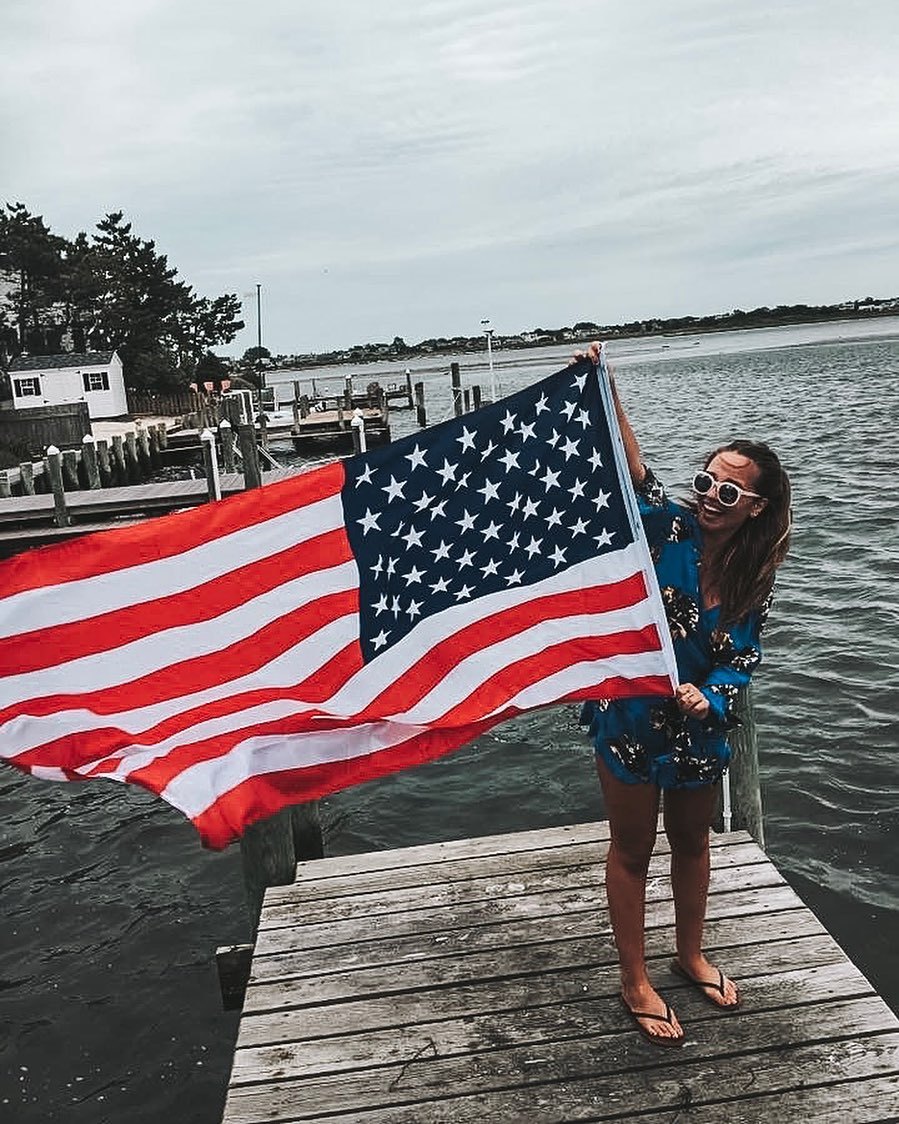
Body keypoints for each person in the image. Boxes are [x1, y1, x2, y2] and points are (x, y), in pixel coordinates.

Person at [579, 344, 792, 1046]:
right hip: (630, 717)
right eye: (706, 481)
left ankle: (690, 954)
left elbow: (744, 657)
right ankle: (633, 977)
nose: (709, 496)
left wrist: (714, 694)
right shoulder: (665, 525)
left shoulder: (753, 575)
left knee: (694, 843)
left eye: (728, 492)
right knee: (631, 849)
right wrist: (605, 387)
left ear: (755, 508)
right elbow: (632, 468)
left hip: (700, 728)